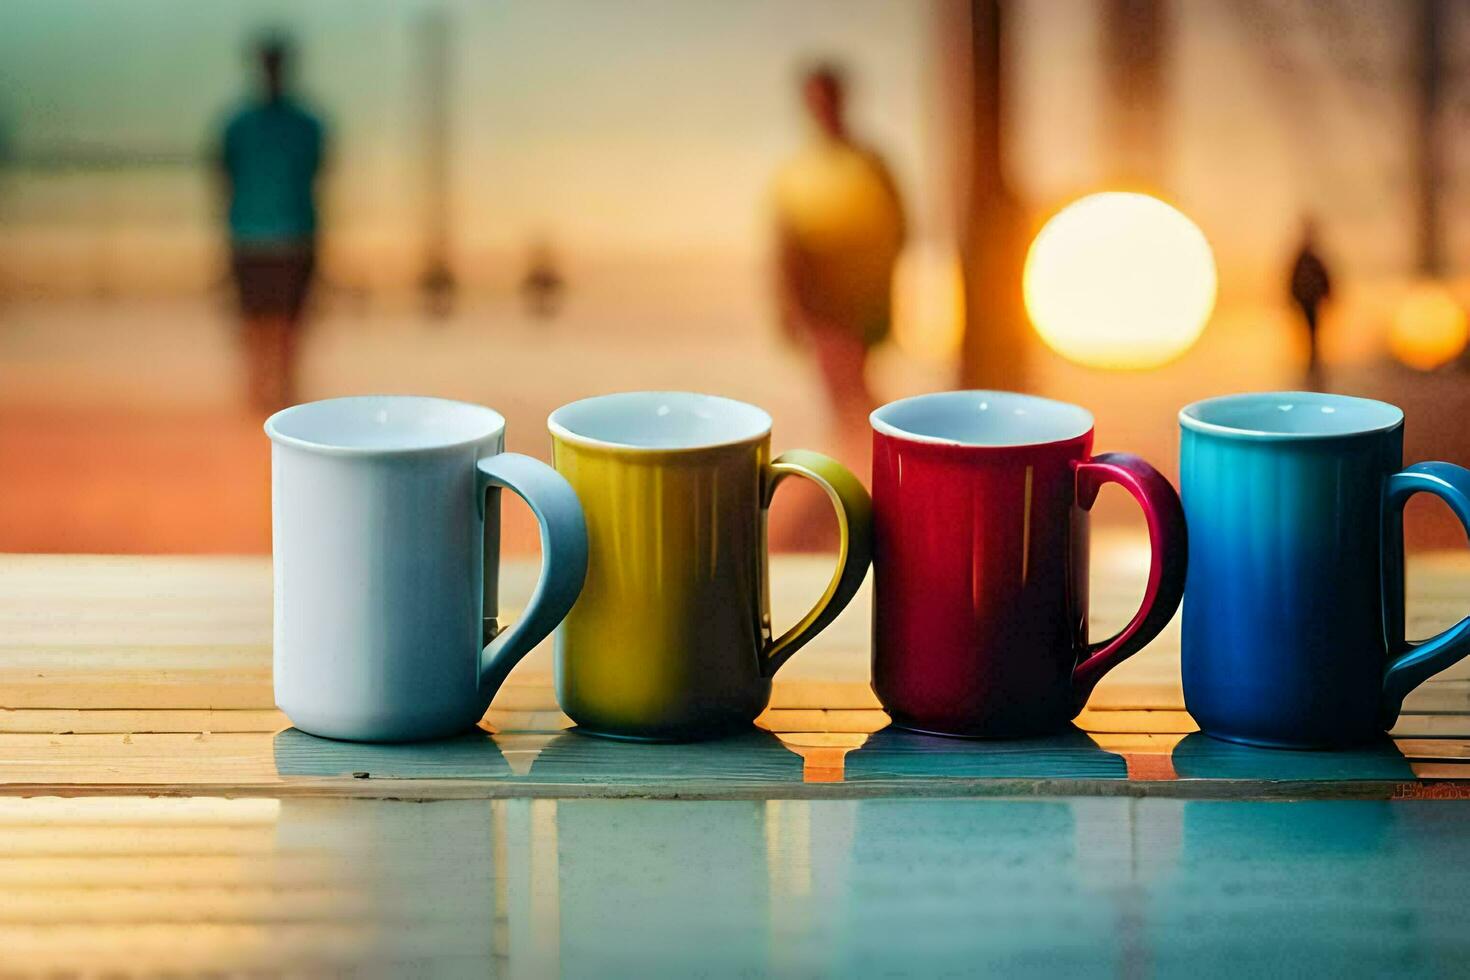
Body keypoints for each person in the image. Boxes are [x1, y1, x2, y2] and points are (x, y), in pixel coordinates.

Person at [769, 62, 905, 549]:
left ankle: (884, 470)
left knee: (851, 390)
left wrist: (884, 298)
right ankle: (877, 470)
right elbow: (784, 244)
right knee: (843, 391)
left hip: (858, 299)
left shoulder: (869, 165)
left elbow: (897, 233)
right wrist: (788, 304)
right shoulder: (800, 171)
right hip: (819, 300)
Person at [218, 38, 327, 414]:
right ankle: (277, 389)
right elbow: (317, 172)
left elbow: (223, 175)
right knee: (284, 321)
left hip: (254, 233)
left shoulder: (239, 124)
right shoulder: (307, 124)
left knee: (260, 319)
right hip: (290, 233)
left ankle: (263, 389)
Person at [1288, 218, 1332, 387]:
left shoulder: (1308, 259)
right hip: (1306, 301)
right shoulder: (1305, 259)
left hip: (1311, 301)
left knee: (1312, 331)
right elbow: (1293, 281)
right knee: (1310, 332)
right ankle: (1311, 361)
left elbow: (1324, 279)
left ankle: (1313, 361)